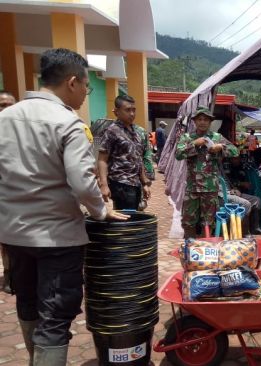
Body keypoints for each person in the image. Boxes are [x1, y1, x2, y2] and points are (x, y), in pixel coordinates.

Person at [0, 48, 128, 365]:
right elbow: (83, 183)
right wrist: (101, 212)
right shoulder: (67, 123)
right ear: (72, 82)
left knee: (28, 304)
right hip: (57, 238)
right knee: (55, 319)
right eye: (86, 86)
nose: (86, 93)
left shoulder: (4, 118)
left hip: (14, 235)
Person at [176, 107, 239, 238]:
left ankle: (206, 247)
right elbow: (178, 154)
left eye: (206, 119)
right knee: (188, 221)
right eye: (199, 119)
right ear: (194, 121)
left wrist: (221, 147)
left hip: (210, 188)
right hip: (192, 187)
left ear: (210, 122)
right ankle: (190, 247)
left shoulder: (216, 137)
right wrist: (194, 144)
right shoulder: (187, 137)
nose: (202, 122)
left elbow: (235, 151)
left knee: (209, 221)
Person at [97, 95, 152, 210]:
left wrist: (144, 183)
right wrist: (104, 185)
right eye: (127, 110)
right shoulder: (111, 131)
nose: (132, 113)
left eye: (134, 110)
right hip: (120, 184)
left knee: (134, 219)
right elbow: (102, 159)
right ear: (117, 112)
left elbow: (138, 158)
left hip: (135, 184)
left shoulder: (136, 132)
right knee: (126, 221)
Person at [0, 90, 16, 293]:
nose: (6, 109)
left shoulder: (23, 132)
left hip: (19, 194)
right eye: (2, 105)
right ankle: (10, 275)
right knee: (5, 240)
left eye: (10, 105)